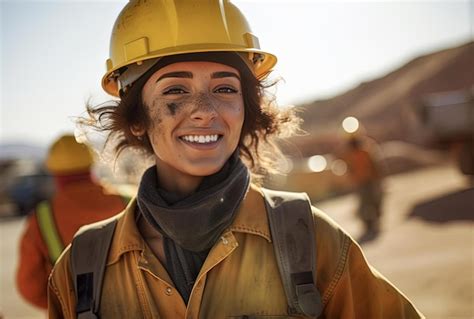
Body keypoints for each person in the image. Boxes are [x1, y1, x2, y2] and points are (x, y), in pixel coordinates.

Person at [48, 1, 424, 318]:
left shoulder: (310, 238)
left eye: (225, 88)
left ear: (248, 108)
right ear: (136, 119)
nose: (205, 111)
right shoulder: (82, 269)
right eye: (175, 89)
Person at [16, 134, 127, 309]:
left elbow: (30, 287)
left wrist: (64, 307)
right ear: (91, 163)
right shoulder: (131, 201)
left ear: (53, 171)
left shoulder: (41, 219)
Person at [344, 135, 384, 237]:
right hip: (361, 182)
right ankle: (368, 223)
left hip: (369, 180)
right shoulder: (350, 155)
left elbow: (374, 165)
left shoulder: (365, 152)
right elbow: (350, 169)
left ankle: (374, 221)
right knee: (365, 203)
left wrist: (378, 178)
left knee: (374, 200)